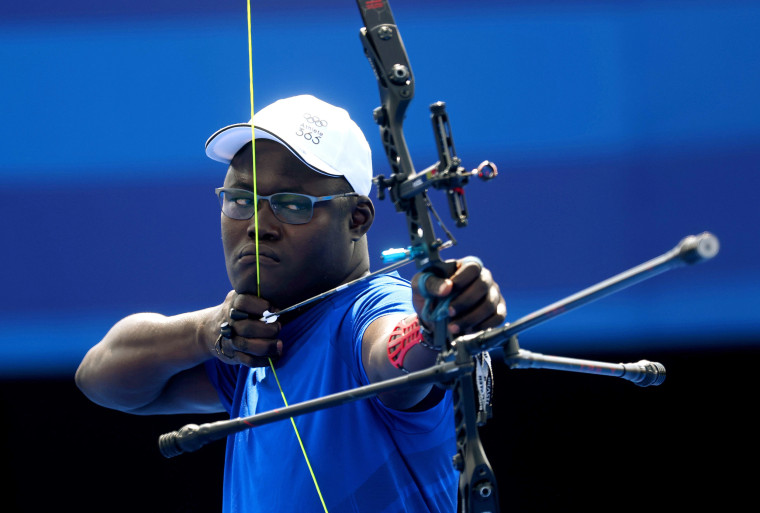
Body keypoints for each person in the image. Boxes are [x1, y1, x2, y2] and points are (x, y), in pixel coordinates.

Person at [75, 94, 507, 513]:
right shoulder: (253, 344)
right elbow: (100, 379)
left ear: (357, 218)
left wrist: (436, 323)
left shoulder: (364, 314)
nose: (258, 227)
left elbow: (394, 350)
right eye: (241, 200)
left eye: (292, 205)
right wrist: (205, 332)